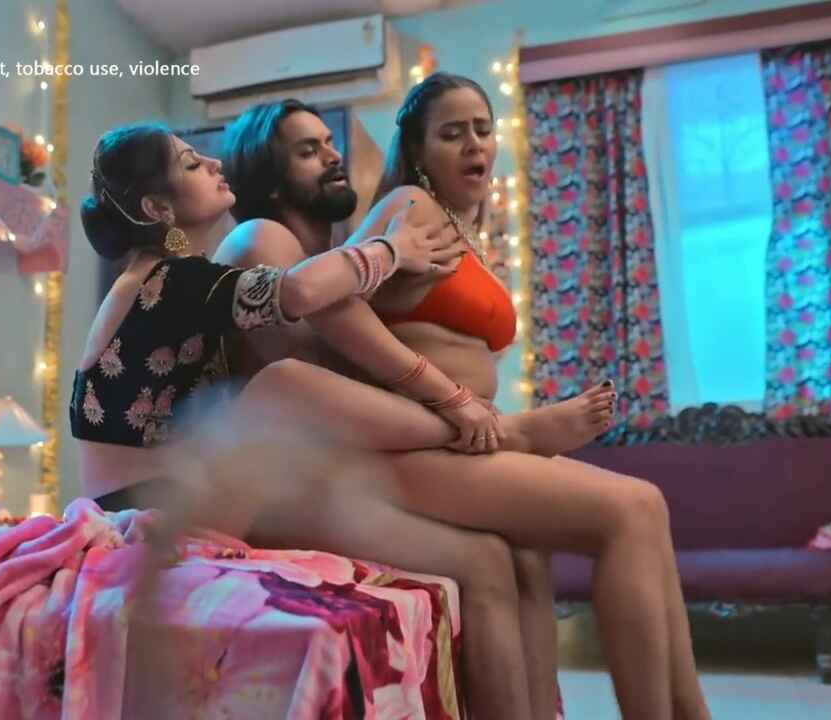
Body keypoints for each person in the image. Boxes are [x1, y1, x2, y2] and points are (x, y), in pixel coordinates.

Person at [74, 120, 628, 716]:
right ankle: (498, 429)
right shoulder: (164, 277)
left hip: (209, 494)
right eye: (190, 164)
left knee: (484, 559)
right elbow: (300, 293)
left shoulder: (188, 274)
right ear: (158, 208)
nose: (211, 163)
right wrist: (393, 250)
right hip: (149, 510)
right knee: (279, 386)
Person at [216, 78, 712, 720]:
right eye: (453, 133)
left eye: (483, 129)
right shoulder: (396, 210)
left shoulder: (425, 234)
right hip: (386, 455)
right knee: (634, 507)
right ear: (418, 150)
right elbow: (328, 326)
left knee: (533, 553)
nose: (475, 144)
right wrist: (450, 397)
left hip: (437, 438)